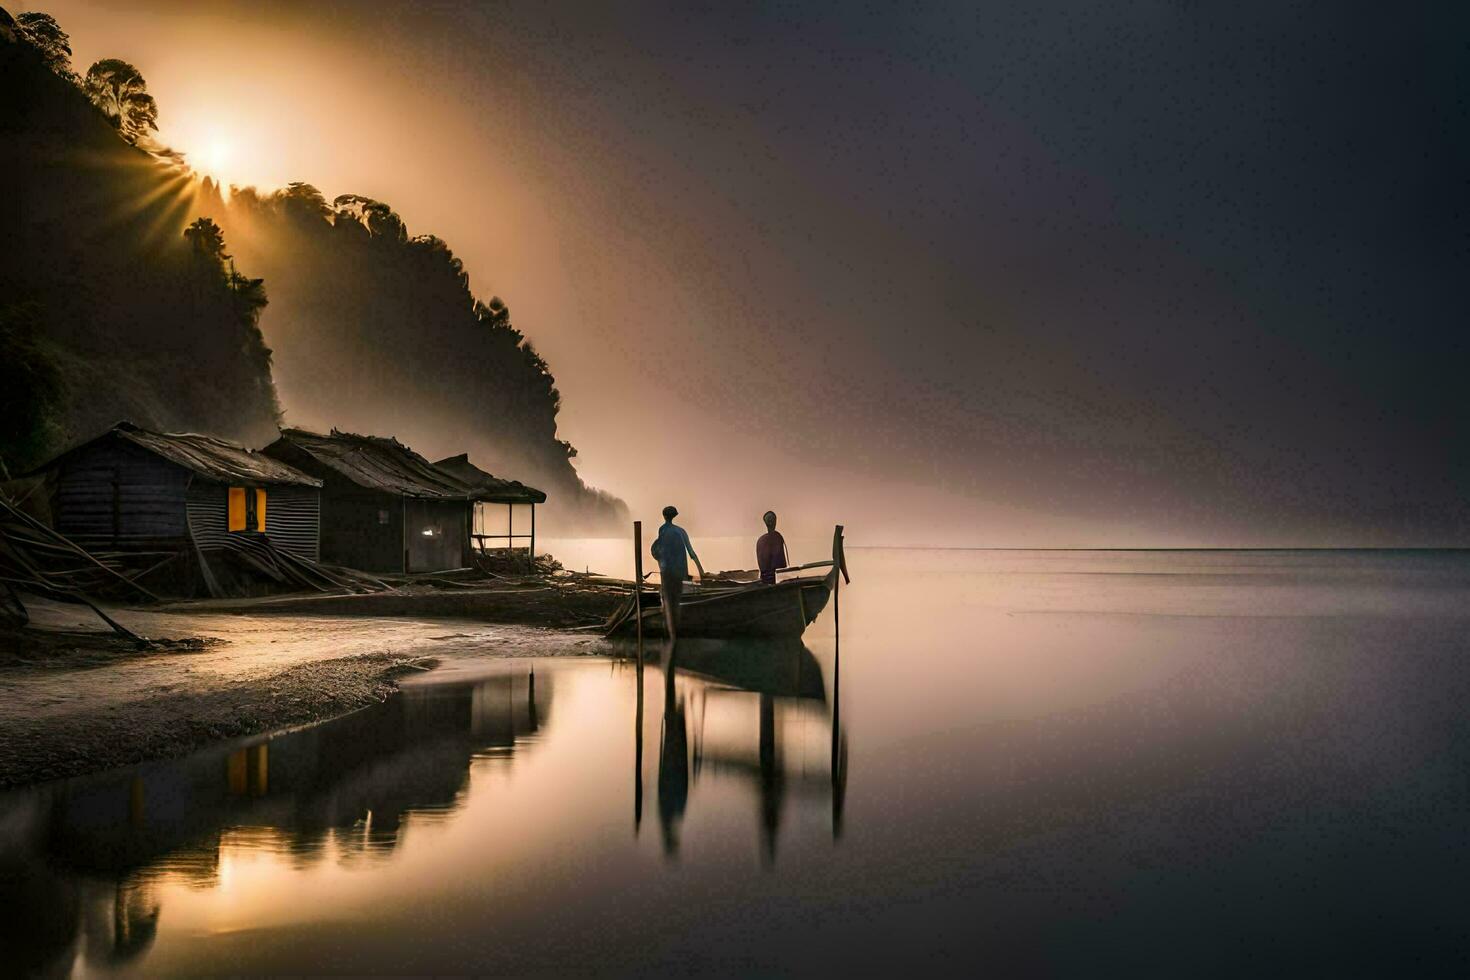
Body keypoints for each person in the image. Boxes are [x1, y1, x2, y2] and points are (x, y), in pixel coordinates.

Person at [652, 505, 704, 637]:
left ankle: (670, 628)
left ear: (664, 516)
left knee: (669, 599)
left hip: (668, 573)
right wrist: (702, 572)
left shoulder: (663, 530)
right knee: (676, 598)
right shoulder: (681, 531)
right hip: (679, 573)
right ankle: (673, 627)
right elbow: (691, 552)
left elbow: (659, 551)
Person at [755, 510, 788, 585]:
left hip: (769, 579)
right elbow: (781, 562)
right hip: (774, 579)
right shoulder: (776, 537)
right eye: (771, 519)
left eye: (773, 519)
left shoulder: (763, 540)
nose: (772, 521)